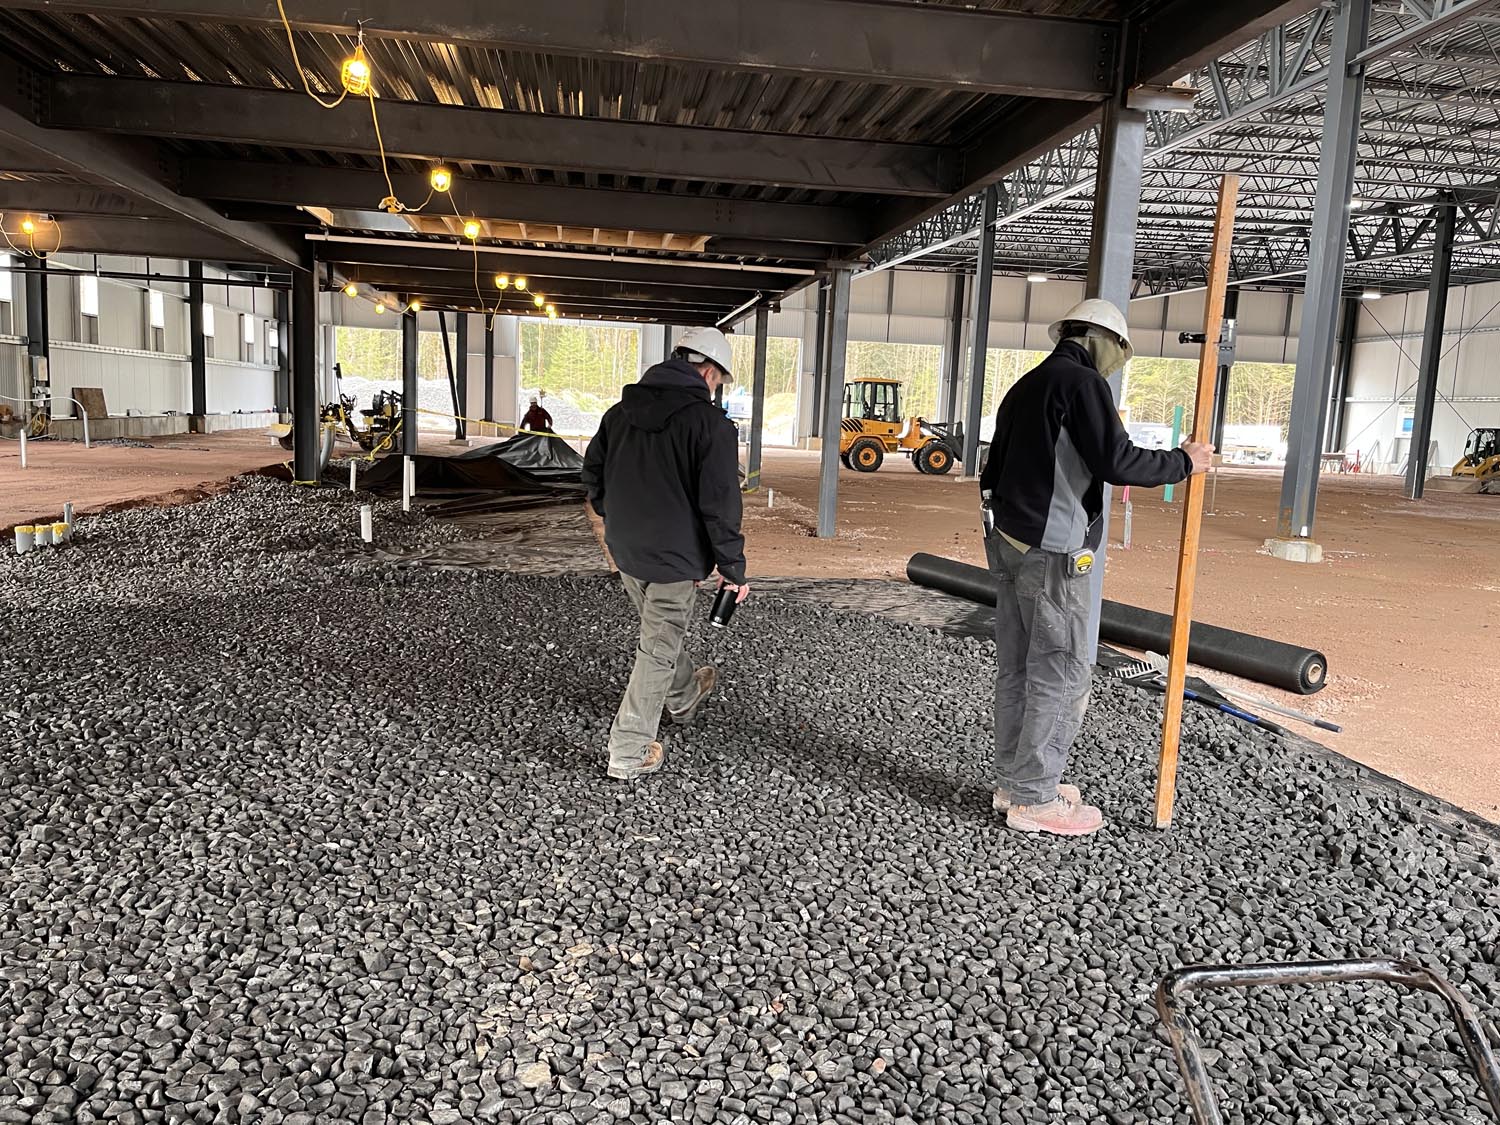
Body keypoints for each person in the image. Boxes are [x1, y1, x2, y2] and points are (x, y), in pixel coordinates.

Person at [980, 298, 1212, 837]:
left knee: (1019, 668)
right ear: (1100, 340)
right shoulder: (1082, 386)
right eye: (1121, 351)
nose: (1119, 363)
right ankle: (1035, 800)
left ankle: (1015, 781)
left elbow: (991, 470)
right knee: (1062, 671)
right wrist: (1184, 461)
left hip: (1009, 544)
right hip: (1053, 552)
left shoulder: (1027, 384)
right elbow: (1117, 460)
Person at [582, 326, 749, 781]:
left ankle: (683, 696)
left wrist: (610, 512)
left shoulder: (620, 413)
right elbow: (720, 502)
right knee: (656, 648)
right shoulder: (710, 424)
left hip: (627, 549)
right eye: (719, 381)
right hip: (675, 558)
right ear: (710, 372)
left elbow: (592, 469)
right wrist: (732, 568)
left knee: (659, 634)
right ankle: (630, 749)